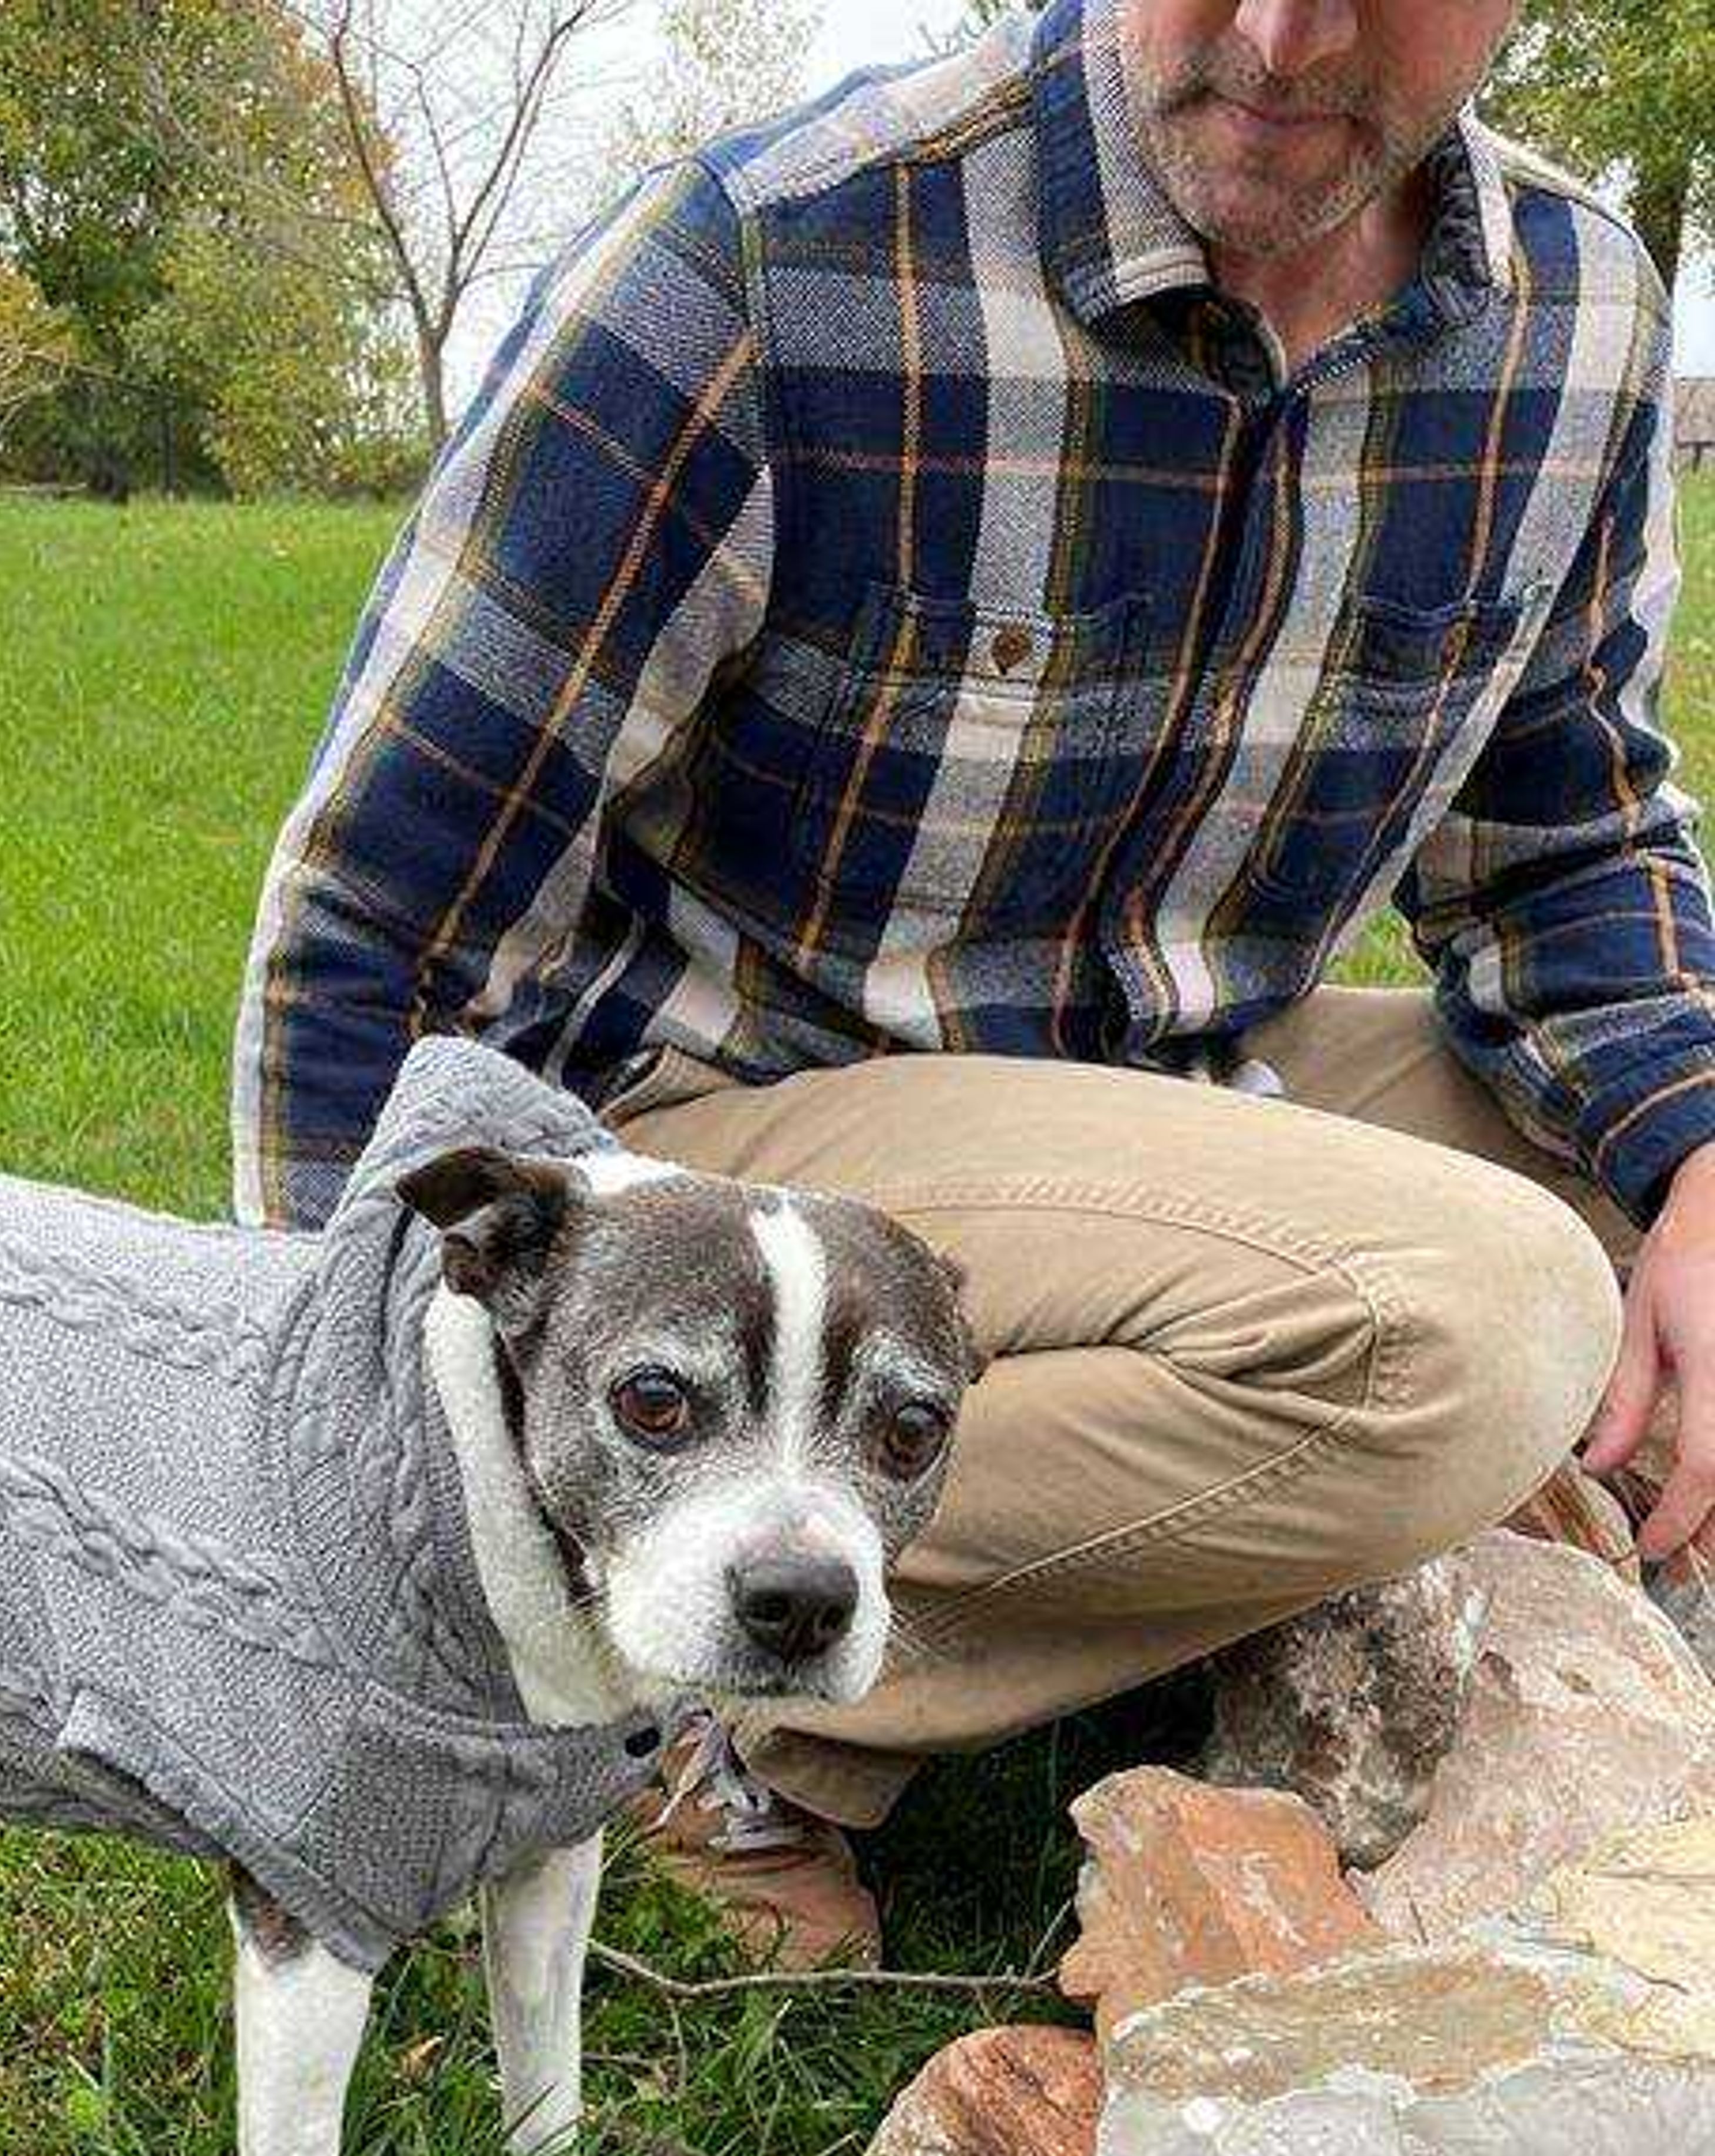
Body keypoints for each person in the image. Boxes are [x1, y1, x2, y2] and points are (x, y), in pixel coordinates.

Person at [233, 0, 1715, 1967]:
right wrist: (335, 1523)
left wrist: (1698, 1154)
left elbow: (1567, 832)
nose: (1282, 36)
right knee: (1490, 1318)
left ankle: (1398, 1587)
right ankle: (677, 1693)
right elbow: (374, 927)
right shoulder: (770, 272)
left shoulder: (1577, 319)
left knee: (1658, 1199)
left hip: (1173, 1075)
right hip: (722, 1138)